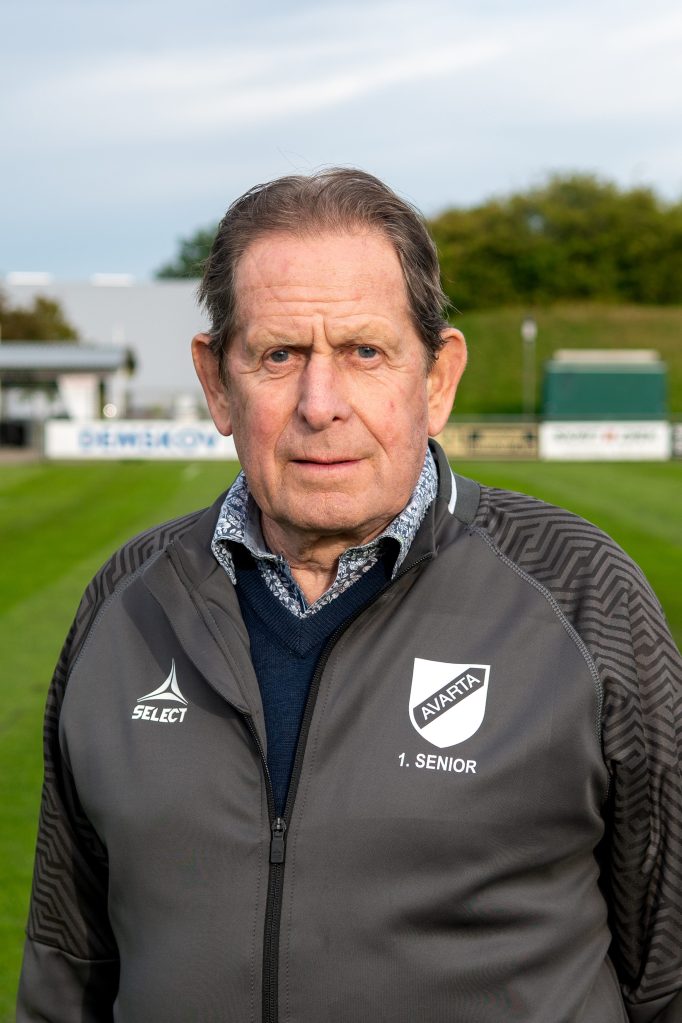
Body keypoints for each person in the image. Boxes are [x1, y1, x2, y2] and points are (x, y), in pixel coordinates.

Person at [18, 169, 681, 1023]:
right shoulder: (126, 603)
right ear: (217, 383)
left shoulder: (583, 594)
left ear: (436, 378)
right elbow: (67, 965)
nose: (320, 404)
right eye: (279, 355)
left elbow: (668, 966)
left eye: (365, 352)